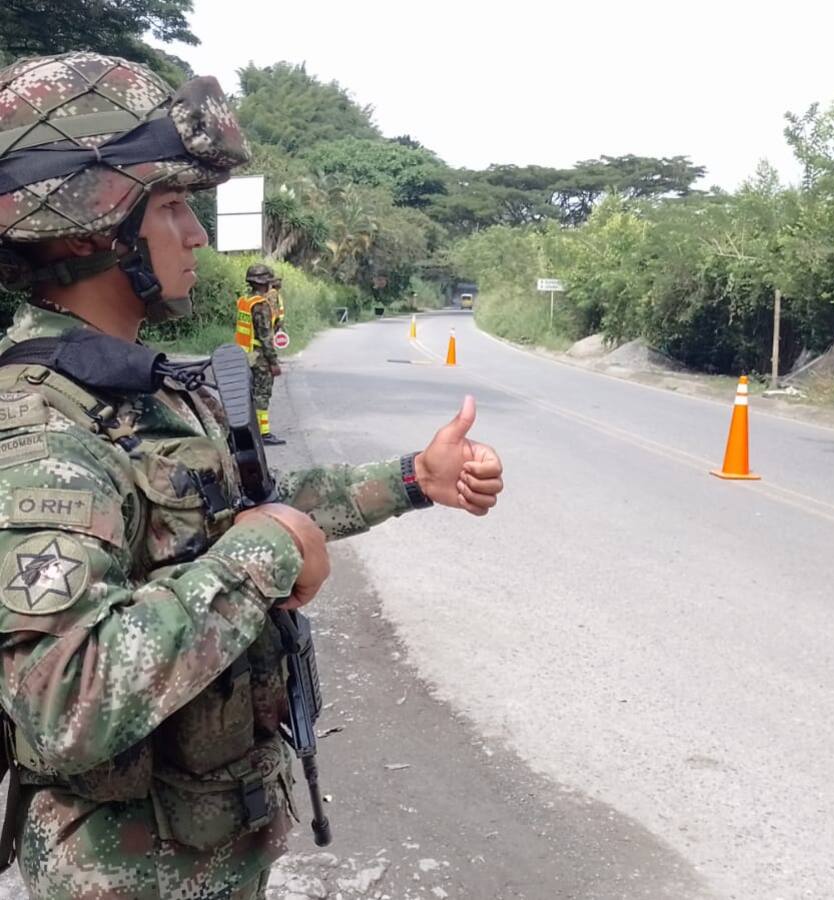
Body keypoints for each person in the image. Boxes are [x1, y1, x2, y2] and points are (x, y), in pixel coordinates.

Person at [0, 52, 504, 899]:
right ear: (89, 226)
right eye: (171, 206)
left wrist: (417, 477)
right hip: (124, 877)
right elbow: (59, 705)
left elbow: (238, 511)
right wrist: (264, 554)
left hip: (200, 853)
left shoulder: (129, 386)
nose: (196, 234)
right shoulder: (42, 429)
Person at [236, 264, 284, 445]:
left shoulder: (244, 301)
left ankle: (248, 431)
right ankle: (263, 434)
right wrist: (274, 362)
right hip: (259, 357)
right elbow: (265, 337)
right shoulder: (261, 305)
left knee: (249, 393)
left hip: (245, 353)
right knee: (262, 395)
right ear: (265, 283)